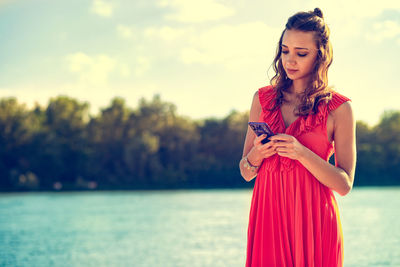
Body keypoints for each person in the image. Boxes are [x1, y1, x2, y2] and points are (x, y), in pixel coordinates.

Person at [239, 8, 356, 267]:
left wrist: (301, 152)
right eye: (285, 50)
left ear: (321, 56)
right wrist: (257, 154)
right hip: (268, 218)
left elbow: (344, 184)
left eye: (301, 53)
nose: (290, 60)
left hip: (314, 222)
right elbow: (246, 172)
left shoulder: (339, 109)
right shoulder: (262, 99)